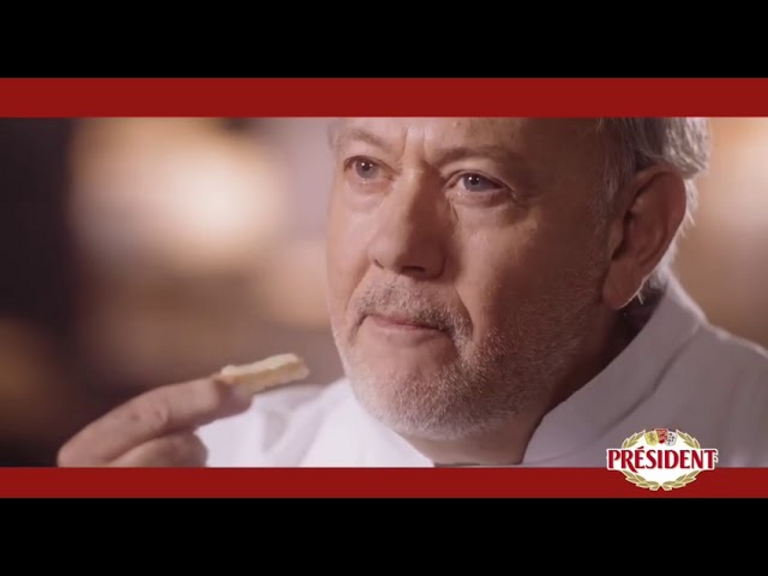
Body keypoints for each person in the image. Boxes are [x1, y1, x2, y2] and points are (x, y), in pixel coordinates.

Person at [56, 118, 768, 468]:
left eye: (476, 182)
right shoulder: (218, 461)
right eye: (367, 169)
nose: (395, 248)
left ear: (632, 233)